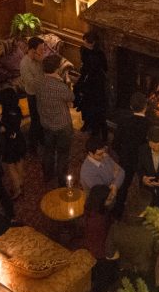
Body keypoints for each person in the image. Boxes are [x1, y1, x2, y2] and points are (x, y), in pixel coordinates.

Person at [105, 185, 159, 292]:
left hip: (125, 270)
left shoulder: (115, 228)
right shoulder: (152, 230)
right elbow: (158, 249)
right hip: (145, 270)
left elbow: (109, 254)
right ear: (146, 209)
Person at [37, 53, 75, 184]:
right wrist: (67, 83)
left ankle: (47, 175)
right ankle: (61, 181)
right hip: (62, 125)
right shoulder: (60, 86)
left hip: (47, 123)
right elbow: (71, 97)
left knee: (48, 151)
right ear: (57, 69)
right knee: (63, 153)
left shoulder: (39, 83)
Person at [112, 91, 150, 212]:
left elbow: (115, 144)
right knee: (145, 184)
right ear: (145, 107)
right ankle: (144, 209)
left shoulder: (123, 121)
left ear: (131, 107)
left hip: (126, 159)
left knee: (123, 186)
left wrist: (122, 154)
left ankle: (118, 210)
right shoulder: (150, 125)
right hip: (142, 162)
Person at [79, 185, 117, 292]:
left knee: (98, 269)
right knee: (103, 272)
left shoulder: (92, 209)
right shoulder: (98, 221)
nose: (111, 200)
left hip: (93, 245)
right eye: (109, 199)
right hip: (100, 250)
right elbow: (103, 238)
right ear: (100, 201)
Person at [75, 30, 108, 139]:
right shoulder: (83, 49)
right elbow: (84, 64)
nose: (84, 43)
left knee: (95, 105)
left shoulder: (100, 53)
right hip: (86, 79)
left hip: (96, 82)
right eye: (84, 41)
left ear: (93, 42)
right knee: (85, 103)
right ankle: (86, 122)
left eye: (86, 42)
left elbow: (104, 68)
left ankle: (95, 127)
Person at [79, 135, 124, 207]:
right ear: (90, 153)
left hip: (111, 196)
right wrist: (115, 176)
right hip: (99, 204)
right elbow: (105, 195)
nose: (104, 155)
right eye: (100, 154)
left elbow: (121, 171)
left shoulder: (103, 156)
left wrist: (114, 185)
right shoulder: (88, 172)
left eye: (104, 152)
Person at [0, 87, 26, 199]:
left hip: (9, 142)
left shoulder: (5, 114)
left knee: (10, 166)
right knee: (19, 161)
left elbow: (3, 129)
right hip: (19, 139)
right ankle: (21, 182)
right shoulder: (17, 109)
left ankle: (17, 189)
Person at [19, 37, 46, 149]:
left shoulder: (39, 59)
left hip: (41, 93)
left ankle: (41, 137)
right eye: (41, 49)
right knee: (35, 120)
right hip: (33, 94)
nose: (43, 52)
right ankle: (32, 144)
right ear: (33, 50)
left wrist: (42, 62)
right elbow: (31, 83)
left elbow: (45, 73)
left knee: (42, 117)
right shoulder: (25, 64)